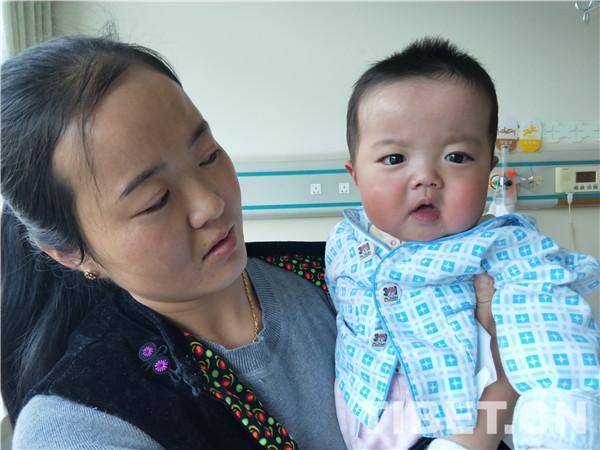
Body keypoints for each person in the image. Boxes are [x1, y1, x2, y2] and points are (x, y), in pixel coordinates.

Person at [1, 35, 503, 450]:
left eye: (208, 155)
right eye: (156, 200)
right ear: (69, 251)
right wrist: (483, 420)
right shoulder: (81, 426)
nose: (210, 203)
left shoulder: (343, 277)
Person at [326, 37, 600, 450]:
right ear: (356, 175)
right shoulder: (344, 241)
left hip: (462, 425)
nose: (426, 177)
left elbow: (555, 336)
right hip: (363, 420)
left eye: (456, 157)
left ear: (489, 169)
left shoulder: (503, 247)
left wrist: (557, 428)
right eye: (394, 159)